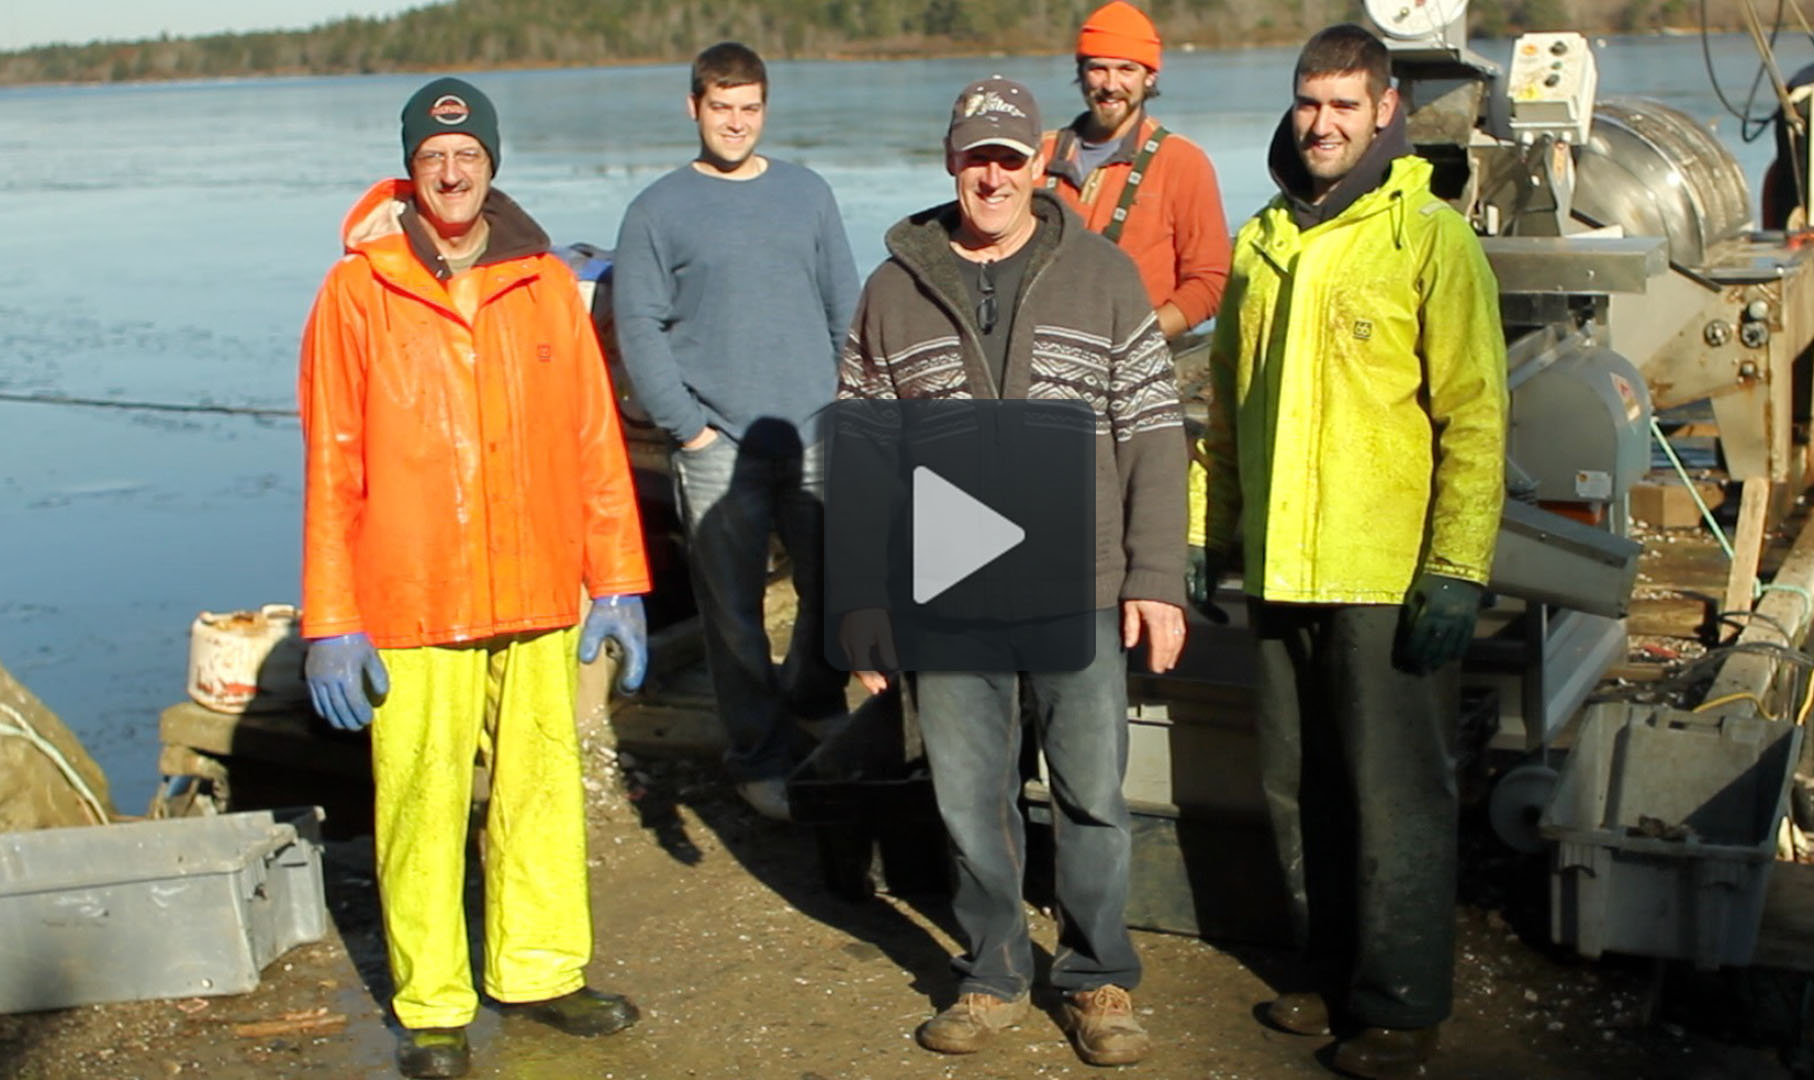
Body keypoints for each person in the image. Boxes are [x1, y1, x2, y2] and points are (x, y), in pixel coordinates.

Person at [299, 77, 652, 1079]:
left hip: (539, 588)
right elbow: (333, 463)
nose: (452, 173)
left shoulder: (543, 280)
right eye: (433, 157)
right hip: (410, 600)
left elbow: (593, 438)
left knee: (544, 788)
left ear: (493, 165)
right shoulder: (357, 291)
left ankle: (539, 972)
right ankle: (434, 1004)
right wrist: (332, 615)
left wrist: (618, 579)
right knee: (418, 797)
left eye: (468, 156)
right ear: (410, 170)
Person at [839, 75, 1189, 1069]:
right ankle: (993, 969)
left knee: (1092, 798)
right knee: (968, 799)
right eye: (974, 155)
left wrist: (1156, 576)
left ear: (1040, 163)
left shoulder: (1105, 275)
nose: (991, 174)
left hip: (1079, 584)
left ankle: (1096, 973)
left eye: (1009, 156)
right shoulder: (890, 288)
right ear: (951, 160)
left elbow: (1156, 433)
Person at [1187, 24, 1507, 1079]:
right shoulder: (1263, 240)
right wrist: (1213, 532)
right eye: (1307, 103)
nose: (1321, 124)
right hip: (1284, 567)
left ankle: (1403, 1004)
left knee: (1396, 796)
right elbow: (1228, 407)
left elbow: (1473, 416)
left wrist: (1456, 568)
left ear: (1384, 112)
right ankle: (1327, 968)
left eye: (1342, 104)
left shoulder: (1428, 238)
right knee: (1300, 786)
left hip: (1387, 573)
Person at [613, 41, 860, 821]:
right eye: (721, 108)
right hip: (716, 443)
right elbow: (639, 329)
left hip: (812, 431)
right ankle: (757, 754)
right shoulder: (656, 210)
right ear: (694, 109)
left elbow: (841, 305)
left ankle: (816, 698)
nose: (735, 123)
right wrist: (687, 430)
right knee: (731, 613)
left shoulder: (807, 193)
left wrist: (848, 399)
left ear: (765, 108)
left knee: (831, 588)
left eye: (749, 108)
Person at [1039, 0, 1229, 340]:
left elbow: (1210, 282)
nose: (1111, 85)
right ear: (1080, 72)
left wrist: (1135, 341)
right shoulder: (1036, 156)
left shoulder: (1183, 163)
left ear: (1150, 76)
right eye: (1098, 68)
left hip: (1138, 361)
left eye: (1127, 70)